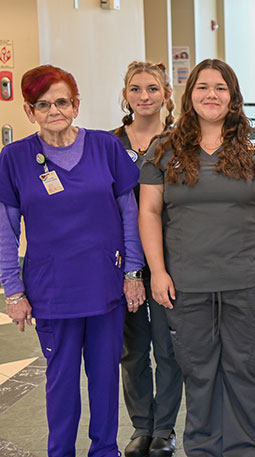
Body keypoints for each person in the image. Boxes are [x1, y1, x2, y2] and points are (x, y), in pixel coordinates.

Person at [138, 58, 255, 457]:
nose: (212, 95)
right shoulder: (165, 148)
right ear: (190, 95)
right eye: (203, 87)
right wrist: (157, 271)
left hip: (248, 280)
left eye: (220, 88)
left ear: (233, 96)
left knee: (245, 371)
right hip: (188, 283)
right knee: (199, 372)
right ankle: (204, 449)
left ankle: (244, 450)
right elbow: (150, 211)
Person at [0, 65, 144, 457]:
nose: (54, 111)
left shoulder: (105, 147)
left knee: (104, 378)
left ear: (76, 104)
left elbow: (129, 215)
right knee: (60, 381)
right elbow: (5, 230)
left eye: (62, 101)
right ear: (29, 111)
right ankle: (59, 451)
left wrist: (133, 272)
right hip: (52, 290)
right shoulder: (14, 158)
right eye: (42, 104)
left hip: (105, 284)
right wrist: (13, 291)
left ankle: (105, 451)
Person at [111, 60, 183, 457]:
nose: (144, 97)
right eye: (136, 89)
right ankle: (142, 426)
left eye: (152, 89)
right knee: (133, 347)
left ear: (166, 95)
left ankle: (165, 428)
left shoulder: (179, 143)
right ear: (126, 94)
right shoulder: (108, 144)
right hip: (124, 263)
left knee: (168, 347)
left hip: (172, 258)